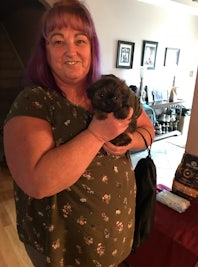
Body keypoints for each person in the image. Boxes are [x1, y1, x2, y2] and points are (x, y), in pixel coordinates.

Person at [3, 0, 155, 266]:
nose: (70, 50)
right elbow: (38, 183)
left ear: (92, 46)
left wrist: (129, 141)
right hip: (66, 252)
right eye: (58, 41)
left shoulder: (112, 87)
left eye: (80, 40)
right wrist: (97, 134)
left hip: (118, 241)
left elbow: (148, 130)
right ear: (45, 50)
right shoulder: (35, 102)